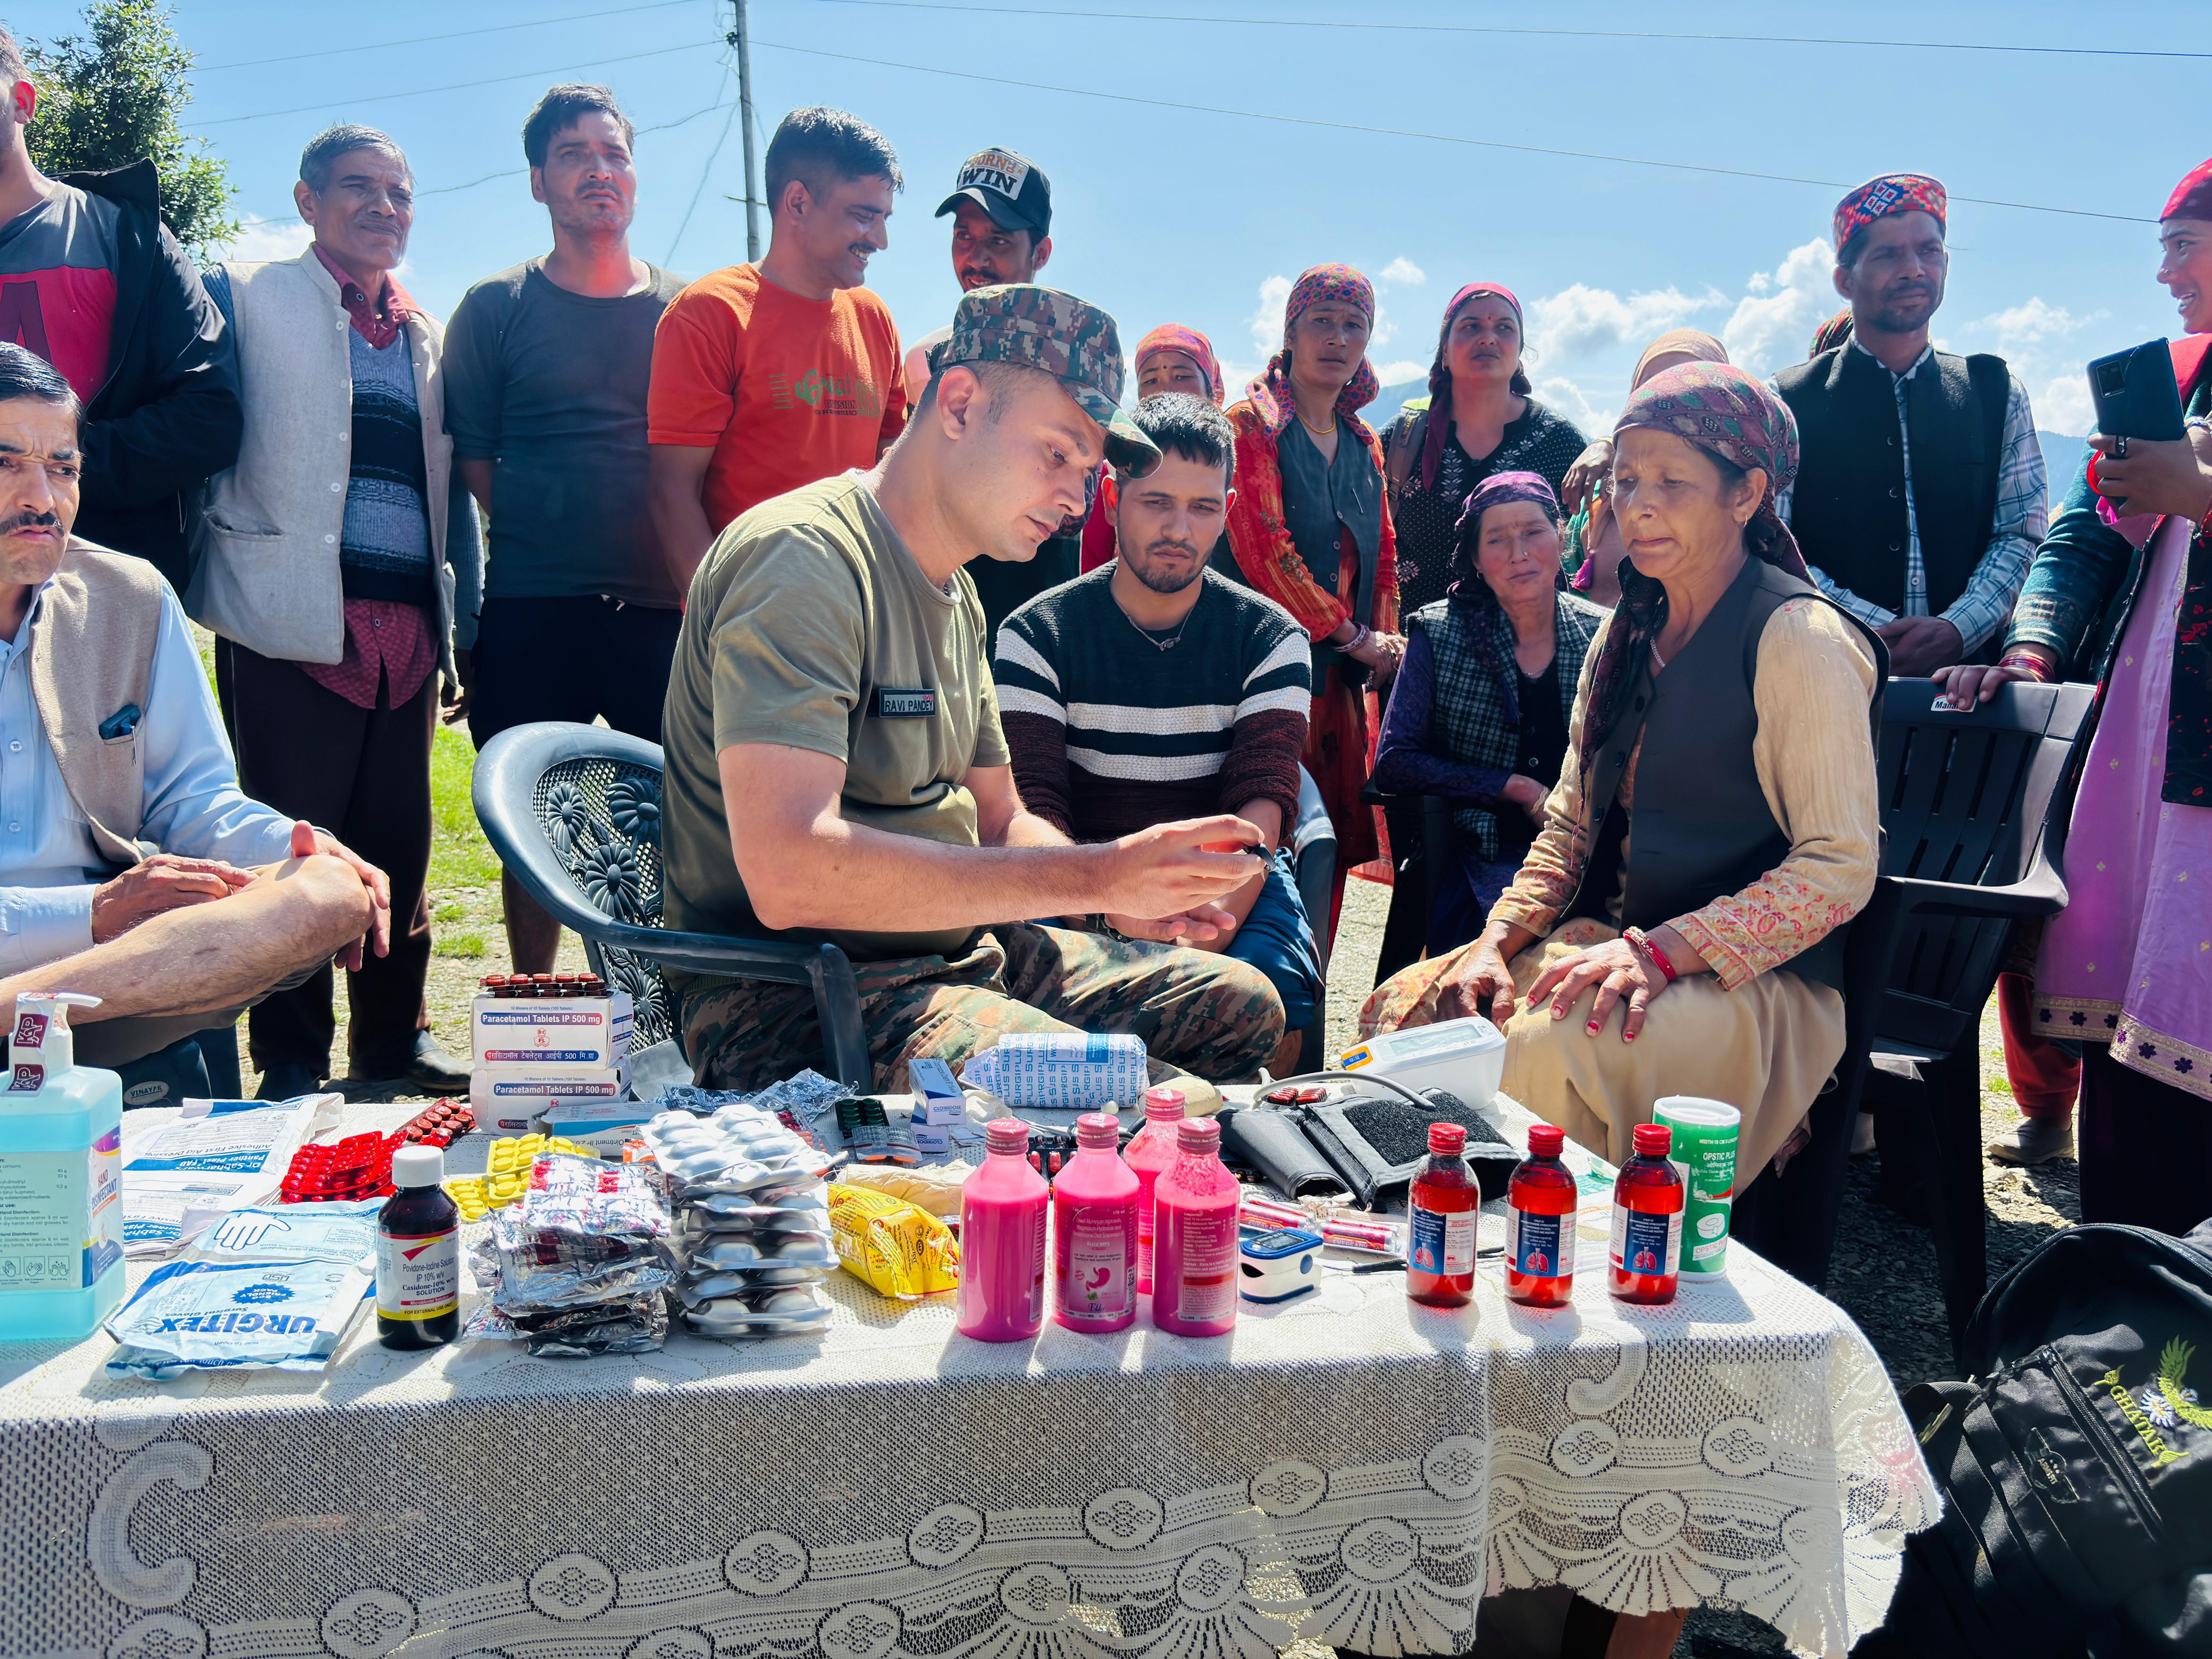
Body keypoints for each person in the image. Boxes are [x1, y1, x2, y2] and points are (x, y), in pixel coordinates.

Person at [659, 285, 1287, 1092]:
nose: (1074, 501)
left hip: (958, 952)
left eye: (1086, 472)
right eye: (1057, 454)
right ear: (958, 404)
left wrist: (1123, 901)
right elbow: (789, 873)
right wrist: (1097, 875)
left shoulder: (957, 596)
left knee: (1245, 1007)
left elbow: (998, 820)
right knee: (1165, 1105)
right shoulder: (804, 558)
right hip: (803, 994)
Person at [1360, 363, 1885, 1184]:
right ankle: (1444, 1236)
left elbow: (1838, 866)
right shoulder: (1627, 632)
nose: (1637, 506)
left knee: (1543, 1049)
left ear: (1747, 493)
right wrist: (1496, 943)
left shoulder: (1797, 639)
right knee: (1411, 1015)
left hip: (1755, 983)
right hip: (1620, 946)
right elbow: (1571, 824)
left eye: (1672, 482)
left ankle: (1549, 1247)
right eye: (1627, 479)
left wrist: (1665, 953)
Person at [1937, 157, 2212, 1225]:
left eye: (2180, 245)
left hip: (2189, 753)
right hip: (2155, 747)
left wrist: (2197, 491)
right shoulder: (2184, 376)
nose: (2165, 272)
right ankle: (2130, 1270)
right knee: (2140, 997)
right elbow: (2084, 537)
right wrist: (2034, 650)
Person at [0, 341, 387, 1082]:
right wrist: (94, 913)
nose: (42, 499)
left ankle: (20, 1015)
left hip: (116, 966)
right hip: (108, 940)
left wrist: (294, 846)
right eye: (6, 463)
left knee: (329, 891)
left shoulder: (129, 596)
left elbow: (193, 800)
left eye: (63, 468)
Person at [192, 125, 482, 1099]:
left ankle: (392, 1045)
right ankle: (290, 1059)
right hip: (287, 621)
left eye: (399, 193)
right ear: (308, 201)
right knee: (293, 847)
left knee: (400, 844)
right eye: (359, 188)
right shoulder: (244, 297)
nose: (383, 208)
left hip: (405, 635)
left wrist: (462, 628)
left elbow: (450, 497)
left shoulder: (426, 334)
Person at [995, 393, 1322, 1071]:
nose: (1178, 528)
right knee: (1020, 992)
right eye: (1155, 502)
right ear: (1112, 500)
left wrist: (1207, 923)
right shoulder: (1035, 635)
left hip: (1224, 877)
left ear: (1226, 512)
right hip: (1076, 875)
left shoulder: (1271, 639)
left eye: (1201, 507)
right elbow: (1032, 804)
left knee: (1271, 993)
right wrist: (1107, 911)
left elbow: (1261, 800)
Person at [442, 85, 686, 976]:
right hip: (534, 603)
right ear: (538, 181)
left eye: (615, 154)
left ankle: (668, 1006)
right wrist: (555, 530)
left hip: (663, 611)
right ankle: (537, 999)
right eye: (575, 154)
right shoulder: (494, 308)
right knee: (533, 819)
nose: (599, 171)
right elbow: (476, 459)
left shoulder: (688, 310)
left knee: (672, 818)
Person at [1774, 173, 2047, 677]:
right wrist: (1866, 632)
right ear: (1844, 280)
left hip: (1969, 690)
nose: (1914, 270)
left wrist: (1957, 629)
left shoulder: (1996, 393)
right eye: (1887, 255)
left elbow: (2020, 535)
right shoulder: (1786, 402)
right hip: (1826, 679)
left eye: (1929, 251)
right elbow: (1774, 545)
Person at [0, 26, 239, 593]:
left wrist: (46, 470)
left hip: (102, 599)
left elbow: (208, 417)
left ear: (23, 102)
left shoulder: (128, 239)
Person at [647, 107, 907, 594]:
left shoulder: (875, 319)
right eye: (864, 216)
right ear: (798, 203)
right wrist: (719, 618)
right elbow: (672, 491)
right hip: (751, 616)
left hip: (860, 613)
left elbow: (893, 472)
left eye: (884, 218)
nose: (881, 240)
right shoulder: (709, 314)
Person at [1224, 264, 1404, 932]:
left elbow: (1382, 555)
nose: (1337, 338)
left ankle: (1313, 982)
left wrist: (1381, 646)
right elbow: (1263, 550)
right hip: (1257, 671)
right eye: (1320, 322)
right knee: (1257, 836)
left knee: (1329, 842)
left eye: (1353, 325)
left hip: (1338, 684)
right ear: (1290, 333)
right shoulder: (1252, 425)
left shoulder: (1363, 442)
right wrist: (1354, 638)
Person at [1371, 472, 1605, 954]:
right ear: (1476, 559)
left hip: (1587, 852)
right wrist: (1515, 788)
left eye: (1534, 532)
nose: (1519, 553)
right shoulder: (1438, 633)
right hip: (1475, 847)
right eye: (1497, 539)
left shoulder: (1604, 634)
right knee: (1498, 957)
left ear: (1561, 537)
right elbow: (1395, 761)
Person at [898, 147, 1082, 639]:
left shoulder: (1076, 370)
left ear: (1041, 253)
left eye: (998, 240)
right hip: (939, 621)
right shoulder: (924, 362)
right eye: (964, 235)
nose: (976, 259)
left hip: (1041, 630)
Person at [1379, 283, 1588, 616]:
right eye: (1471, 326)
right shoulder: (1401, 440)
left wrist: (1608, 445)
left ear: (1519, 351)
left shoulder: (1559, 441)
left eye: (1504, 328)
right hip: (1414, 642)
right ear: (1445, 352)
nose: (1488, 338)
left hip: (1530, 641)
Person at [1560, 330, 1730, 609]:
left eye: (1690, 387)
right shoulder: (1598, 493)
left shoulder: (1739, 490)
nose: (1668, 399)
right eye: (1654, 385)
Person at [1079, 324, 1226, 574]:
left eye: (1182, 377)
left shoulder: (1233, 467)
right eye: (1151, 380)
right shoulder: (1115, 468)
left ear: (1211, 387)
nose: (1166, 389)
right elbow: (1092, 565)